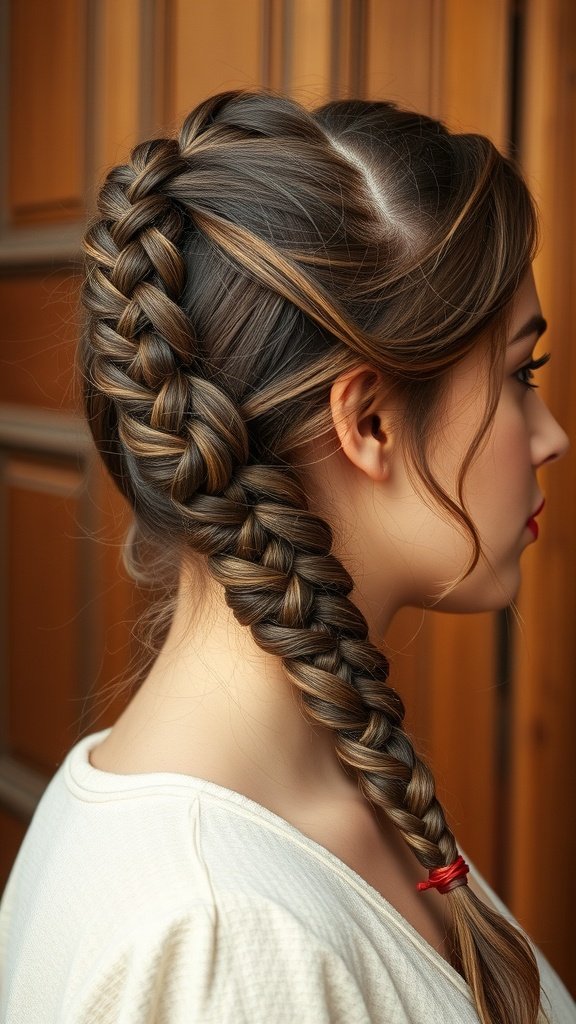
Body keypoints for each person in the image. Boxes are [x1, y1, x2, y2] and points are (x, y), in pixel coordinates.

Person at [0, 90, 574, 1024]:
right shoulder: (223, 942)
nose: (548, 436)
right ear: (370, 420)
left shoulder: (323, 799)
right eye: (520, 376)